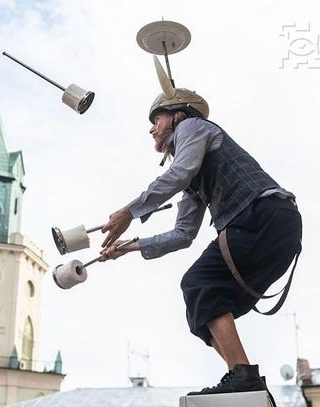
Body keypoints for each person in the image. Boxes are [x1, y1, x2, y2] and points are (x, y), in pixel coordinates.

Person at [100, 61, 302, 400]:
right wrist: (130, 246)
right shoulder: (192, 177)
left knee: (199, 284)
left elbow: (178, 173)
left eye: (157, 118)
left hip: (260, 215)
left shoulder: (194, 126)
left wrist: (130, 211)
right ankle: (244, 381)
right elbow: (183, 234)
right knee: (202, 304)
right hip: (276, 227)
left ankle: (243, 377)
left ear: (179, 115)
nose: (152, 128)